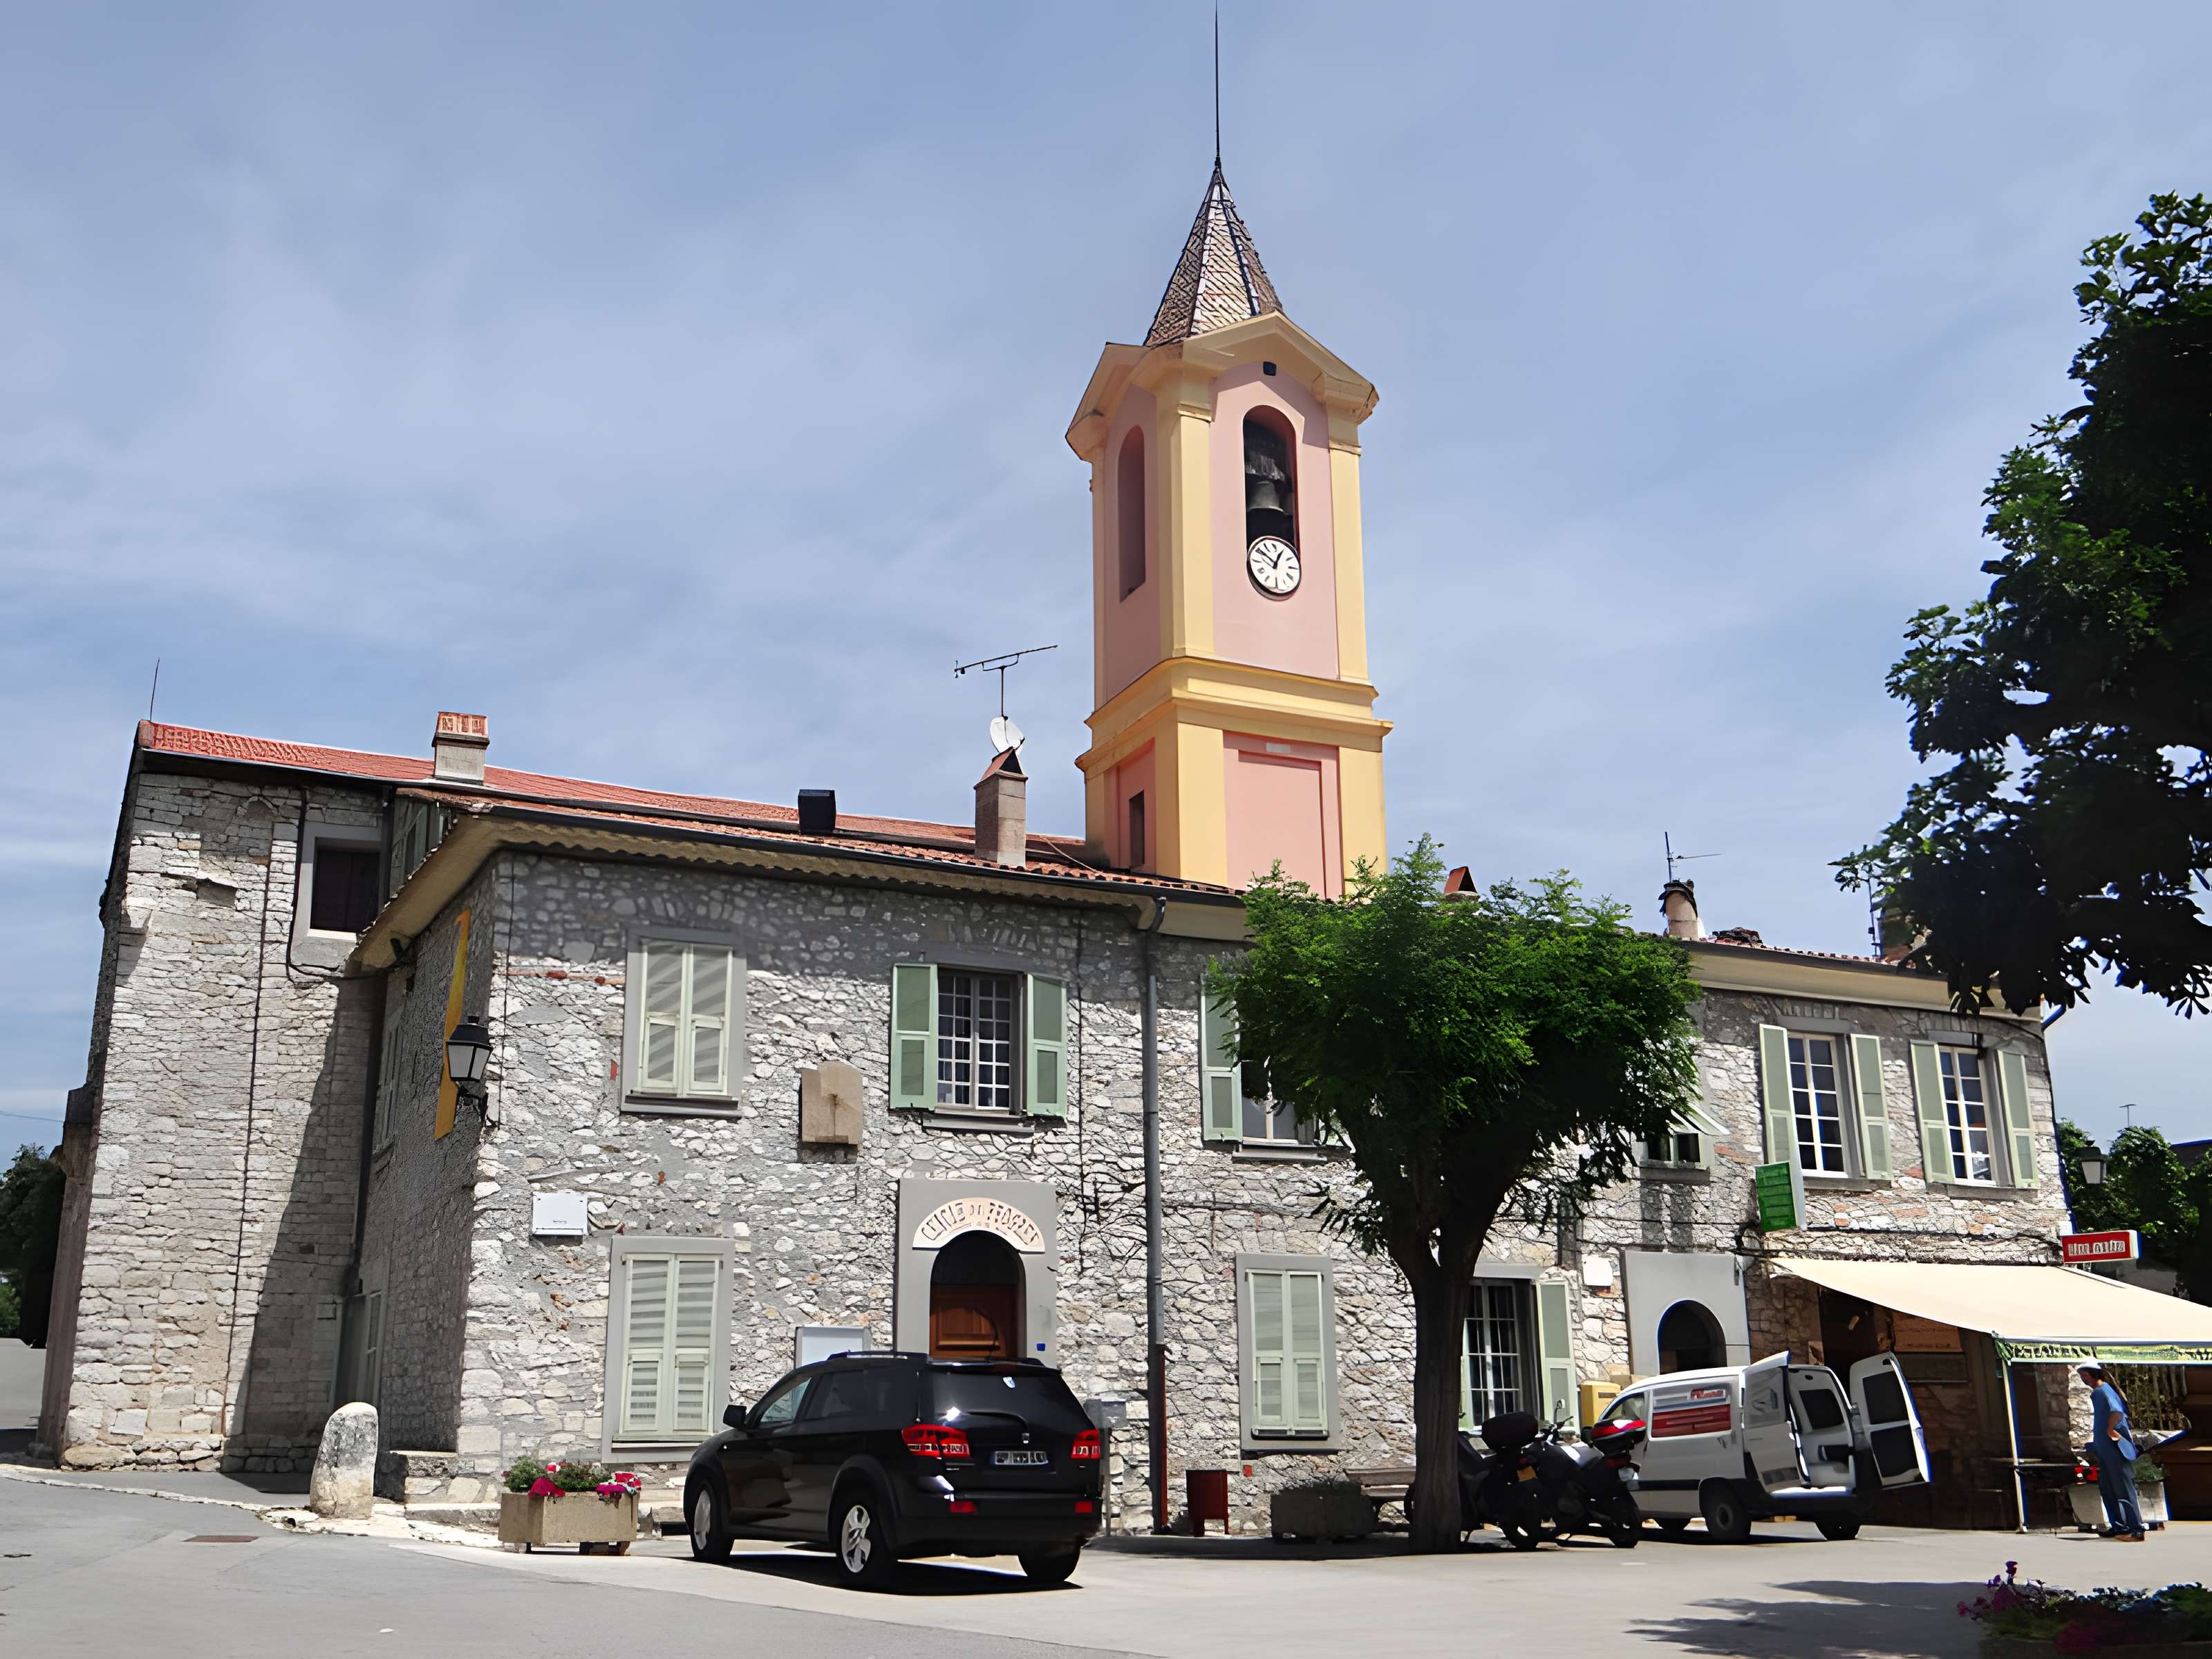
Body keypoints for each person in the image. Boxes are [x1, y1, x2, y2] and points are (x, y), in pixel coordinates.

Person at [2079, 1365, 2144, 1541]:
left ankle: (2136, 1529)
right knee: (2108, 1489)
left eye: (2085, 1375)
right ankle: (2120, 1527)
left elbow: (2116, 1412)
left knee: (2122, 1488)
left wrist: (2109, 1430)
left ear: (2094, 1374)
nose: (2083, 1379)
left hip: (2115, 1449)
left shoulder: (2104, 1390)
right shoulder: (2097, 1393)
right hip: (2104, 1450)